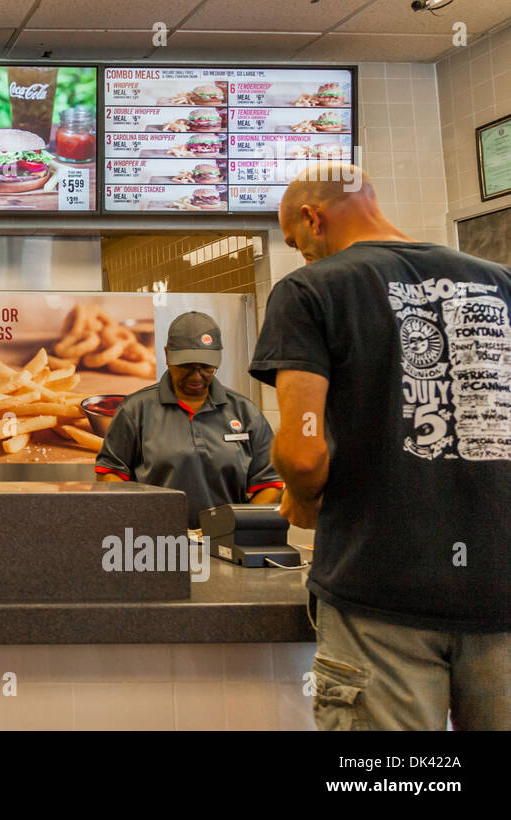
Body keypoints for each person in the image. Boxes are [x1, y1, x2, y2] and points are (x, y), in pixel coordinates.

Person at [248, 162, 510, 731]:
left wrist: (300, 497)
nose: (302, 256)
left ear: (313, 218)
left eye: (296, 243)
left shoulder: (312, 288)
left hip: (381, 590)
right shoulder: (498, 281)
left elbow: (303, 449)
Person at [95, 311, 283, 527]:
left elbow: (269, 484)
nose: (196, 376)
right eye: (186, 366)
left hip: (226, 543)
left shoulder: (245, 412)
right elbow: (110, 474)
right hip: (152, 541)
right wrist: (140, 521)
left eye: (205, 367)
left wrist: (233, 527)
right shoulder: (135, 410)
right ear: (167, 356)